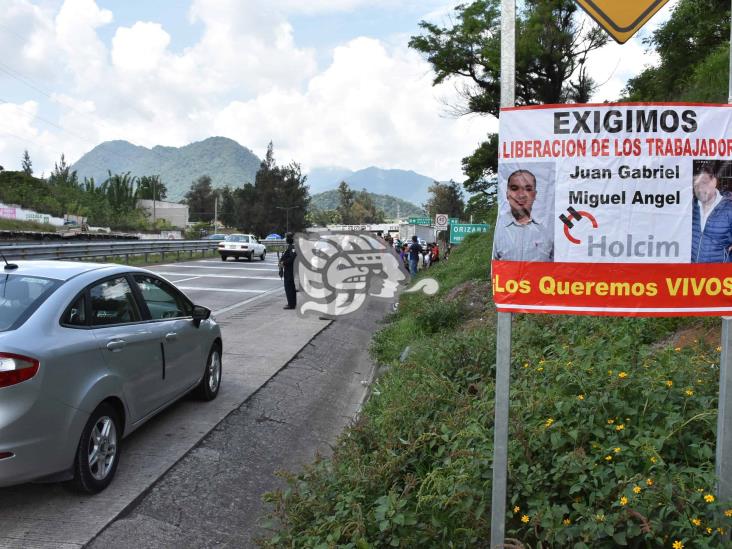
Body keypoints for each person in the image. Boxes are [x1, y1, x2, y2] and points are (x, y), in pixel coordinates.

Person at [492, 169, 553, 261]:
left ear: (534, 194)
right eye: (514, 188)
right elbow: (493, 269)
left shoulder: (548, 232)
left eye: (528, 189)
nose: (521, 195)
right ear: (507, 194)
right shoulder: (496, 230)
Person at [691, 162, 732, 262]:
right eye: (696, 184)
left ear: (714, 182)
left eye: (704, 183)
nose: (700, 189)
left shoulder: (729, 208)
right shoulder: (690, 207)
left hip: (717, 275)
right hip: (691, 274)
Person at [279, 232, 297, 309]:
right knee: (290, 287)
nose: (286, 239)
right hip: (289, 269)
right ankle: (292, 303)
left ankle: (291, 304)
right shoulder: (291, 246)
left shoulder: (293, 247)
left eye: (288, 237)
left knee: (289, 287)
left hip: (290, 270)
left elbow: (292, 258)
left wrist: (284, 262)